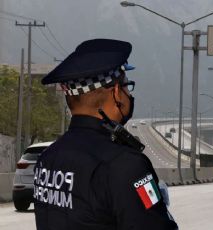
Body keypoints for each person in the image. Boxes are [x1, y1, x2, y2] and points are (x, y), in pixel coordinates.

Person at [33, 39, 178, 229]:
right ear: (117, 92)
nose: (129, 94)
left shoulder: (47, 158)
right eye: (127, 86)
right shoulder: (125, 165)